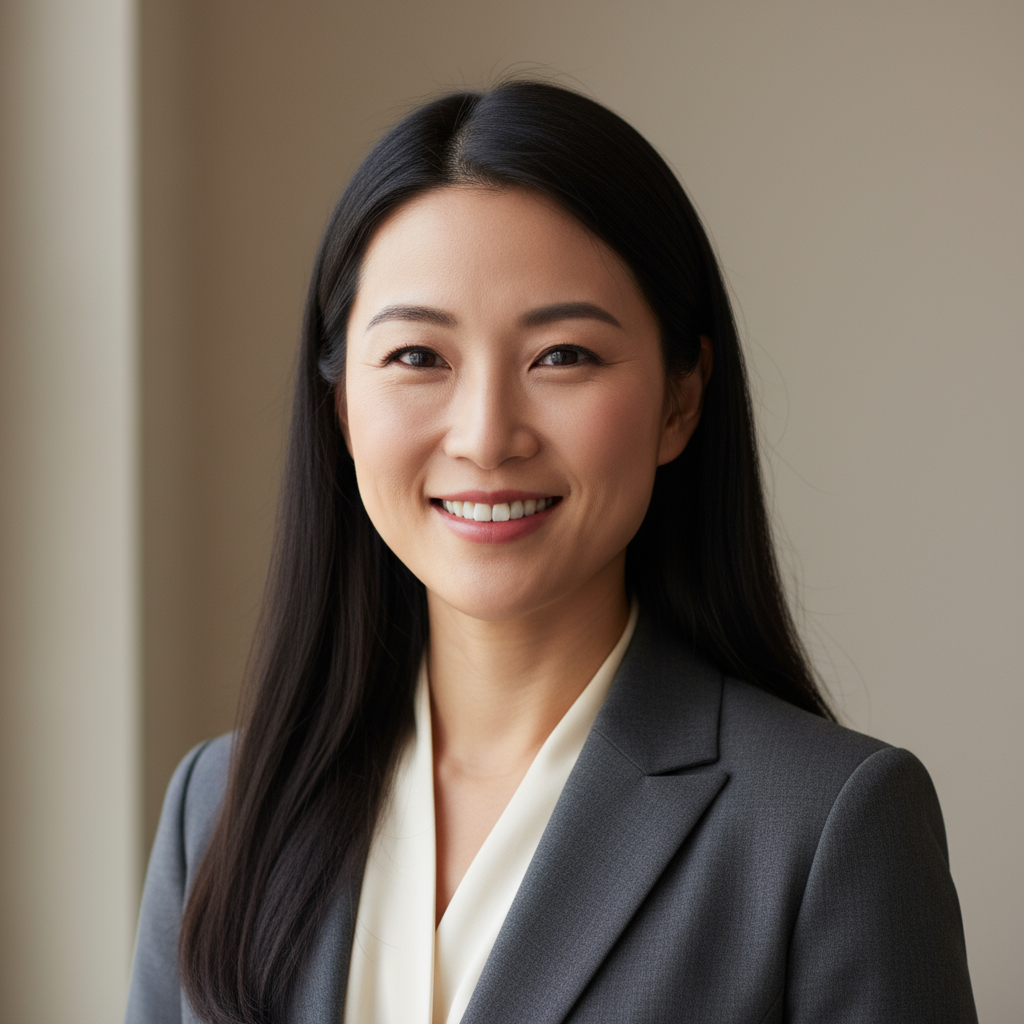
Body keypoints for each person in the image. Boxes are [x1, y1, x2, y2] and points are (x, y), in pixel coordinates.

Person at [125, 80, 977, 1024]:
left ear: (679, 401)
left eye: (562, 355)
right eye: (418, 357)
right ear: (340, 408)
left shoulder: (827, 829)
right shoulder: (219, 809)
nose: (487, 437)